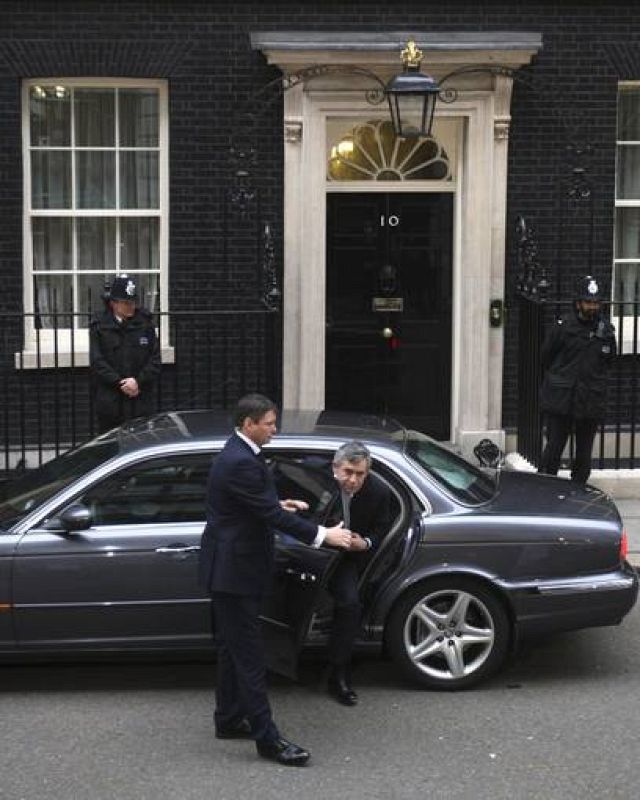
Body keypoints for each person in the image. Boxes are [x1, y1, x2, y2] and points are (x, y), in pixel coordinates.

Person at [198, 393, 352, 767]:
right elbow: (266, 514)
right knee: (250, 656)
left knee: (231, 649)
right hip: (235, 573)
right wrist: (322, 535)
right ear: (249, 423)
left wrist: (277, 503)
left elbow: (247, 504)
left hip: (228, 567)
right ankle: (268, 740)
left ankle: (228, 718)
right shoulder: (241, 461)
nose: (274, 429)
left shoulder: (239, 453)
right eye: (268, 423)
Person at [324, 441, 394, 706]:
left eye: (360, 474)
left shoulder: (379, 492)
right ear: (335, 468)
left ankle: (338, 673)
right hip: (312, 552)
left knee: (350, 605)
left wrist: (364, 543)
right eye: (348, 472)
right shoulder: (315, 481)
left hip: (348, 557)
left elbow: (382, 527)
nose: (353, 480)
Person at [538, 275, 617, 485]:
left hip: (590, 399)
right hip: (562, 398)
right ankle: (544, 489)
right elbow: (545, 357)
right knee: (553, 449)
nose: (592, 307)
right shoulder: (563, 327)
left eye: (595, 303)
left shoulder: (606, 332)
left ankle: (578, 493)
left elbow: (609, 362)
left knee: (583, 455)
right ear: (578, 303)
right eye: (588, 302)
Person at [89, 274, 160, 433]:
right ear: (113, 303)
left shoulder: (145, 323)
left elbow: (154, 360)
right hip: (111, 402)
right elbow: (97, 361)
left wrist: (137, 382)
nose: (131, 307)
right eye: (126, 303)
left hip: (140, 400)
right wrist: (121, 383)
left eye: (133, 302)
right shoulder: (100, 326)